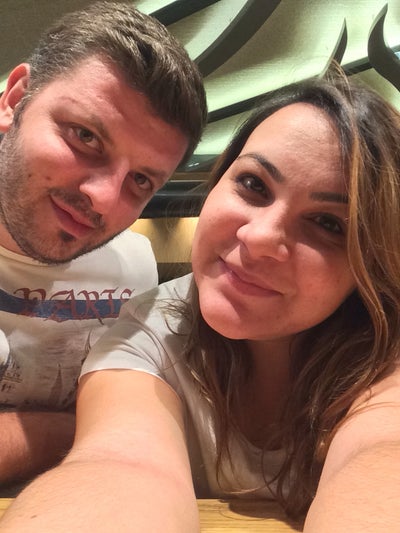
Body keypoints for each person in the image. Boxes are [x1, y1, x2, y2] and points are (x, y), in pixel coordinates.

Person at [2, 68, 400, 532]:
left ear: (373, 261)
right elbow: (119, 463)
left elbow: (385, 452)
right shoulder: (150, 329)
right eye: (254, 185)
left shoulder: (387, 355)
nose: (260, 238)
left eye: (329, 224)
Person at [0, 0, 207, 487]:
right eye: (86, 137)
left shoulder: (135, 268)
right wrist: (84, 429)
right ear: (14, 99)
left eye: (141, 180)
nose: (104, 198)